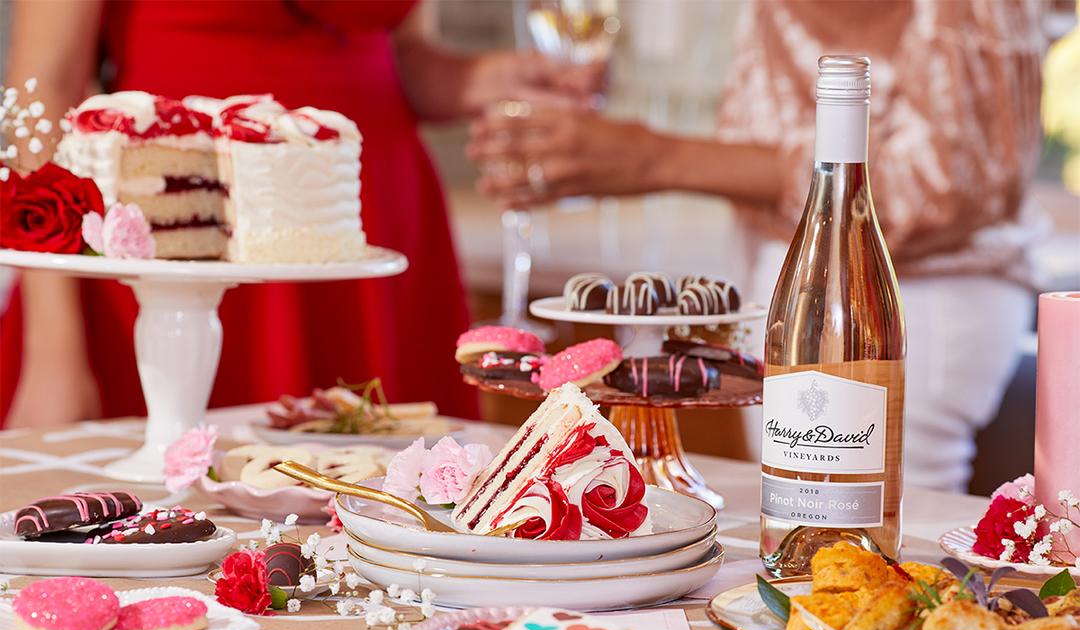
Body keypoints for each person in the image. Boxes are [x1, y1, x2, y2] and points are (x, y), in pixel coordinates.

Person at [468, 0, 1047, 493]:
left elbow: (939, 183)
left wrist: (653, 158)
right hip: (787, 275)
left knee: (875, 547)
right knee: (796, 522)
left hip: (899, 295)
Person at [1, 0, 602, 428]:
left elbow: (406, 57)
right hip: (179, 224)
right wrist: (53, 352)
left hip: (370, 221)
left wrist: (490, 77)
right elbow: (43, 85)